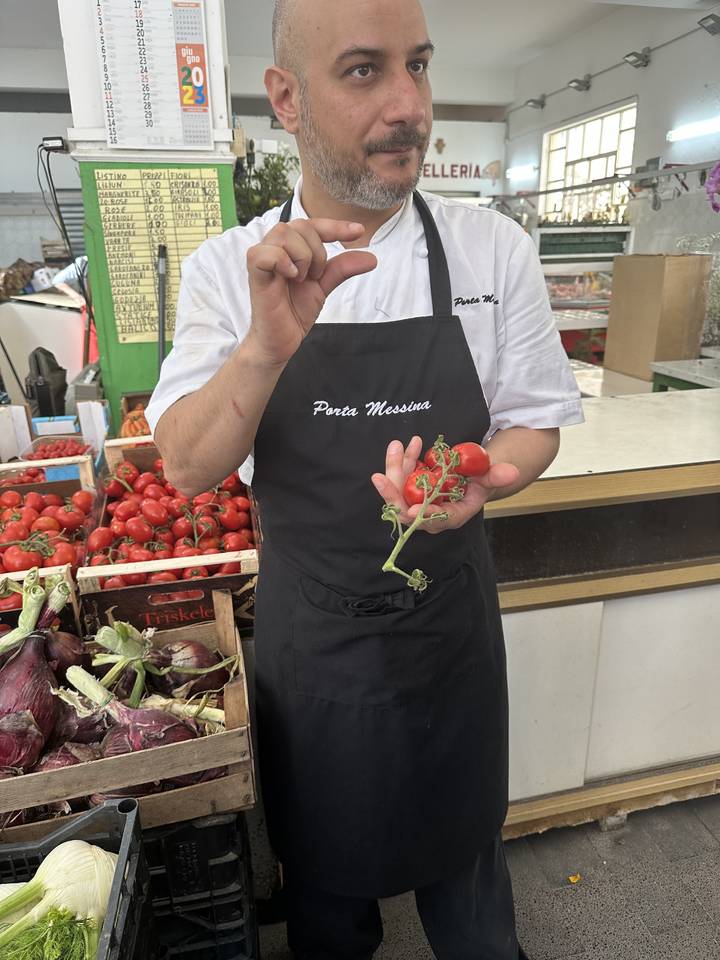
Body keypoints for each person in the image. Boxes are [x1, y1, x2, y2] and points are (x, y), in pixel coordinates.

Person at [147, 0, 583, 956]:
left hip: (450, 640)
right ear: (287, 98)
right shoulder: (231, 270)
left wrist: (488, 477)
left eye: (418, 66)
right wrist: (265, 345)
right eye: (363, 71)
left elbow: (536, 422)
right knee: (328, 916)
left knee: (474, 908)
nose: (408, 105)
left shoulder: (489, 250)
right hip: (318, 655)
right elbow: (183, 464)